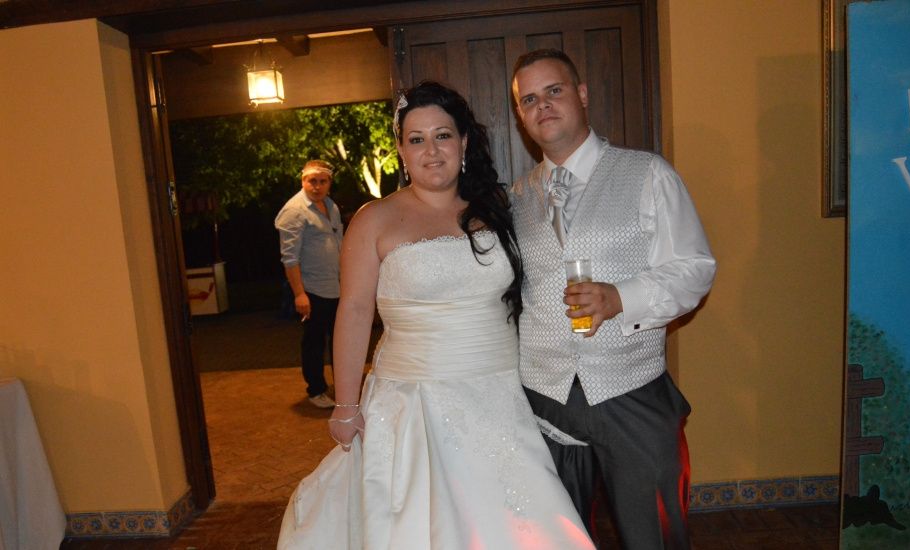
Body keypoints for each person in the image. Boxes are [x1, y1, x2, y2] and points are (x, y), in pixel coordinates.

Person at [277, 81, 595, 550]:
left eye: (442, 135)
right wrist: (346, 405)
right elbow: (356, 311)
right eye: (416, 139)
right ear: (402, 150)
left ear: (464, 142)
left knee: (518, 522)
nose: (431, 151)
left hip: (499, 394)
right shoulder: (374, 220)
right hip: (411, 403)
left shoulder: (498, 209)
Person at [510, 49, 717, 549]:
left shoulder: (647, 174)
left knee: (655, 535)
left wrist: (621, 298)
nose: (543, 106)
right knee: (554, 539)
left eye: (554, 91)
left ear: (582, 94)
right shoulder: (516, 197)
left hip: (632, 393)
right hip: (544, 398)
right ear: (520, 115)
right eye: (529, 99)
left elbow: (695, 269)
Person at [275, 160, 343, 409]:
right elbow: (289, 258)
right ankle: (316, 390)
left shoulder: (330, 206)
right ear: (303, 181)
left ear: (329, 183)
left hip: (336, 287)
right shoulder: (294, 211)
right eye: (311, 181)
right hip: (313, 290)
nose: (317, 186)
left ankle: (344, 387)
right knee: (314, 342)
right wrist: (299, 294)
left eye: (322, 181)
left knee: (341, 340)